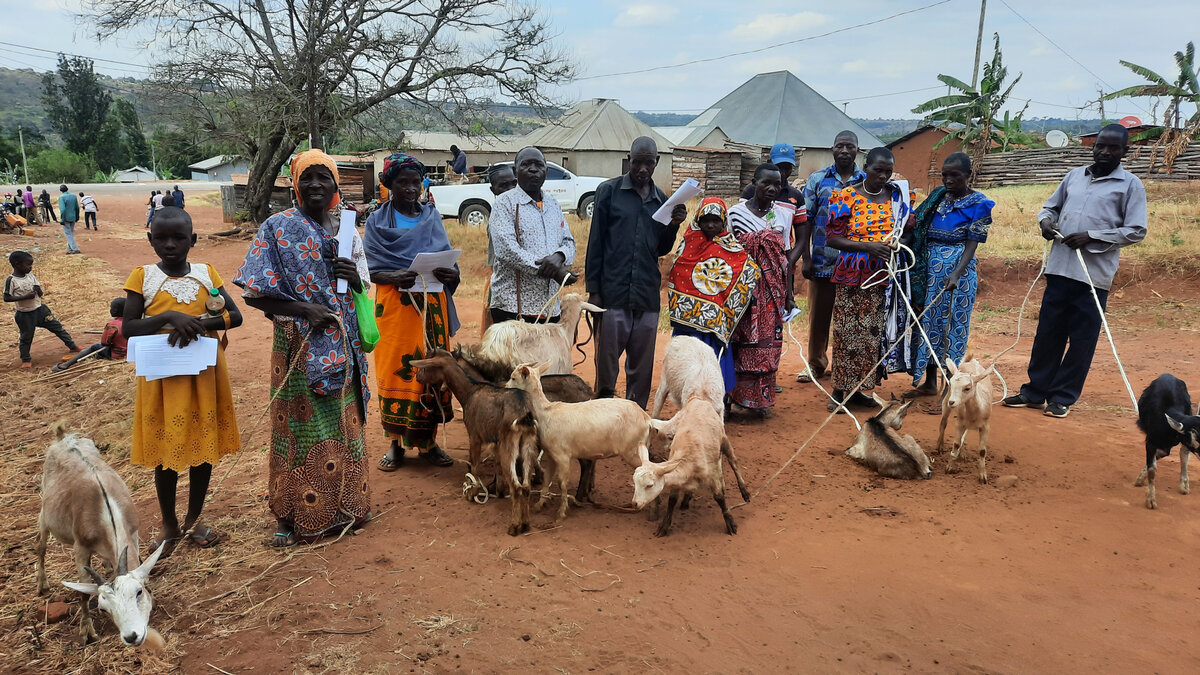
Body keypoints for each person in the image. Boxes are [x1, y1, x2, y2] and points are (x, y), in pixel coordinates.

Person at [235, 149, 373, 546]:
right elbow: (254, 294)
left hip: (342, 343)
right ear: (295, 184)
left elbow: (360, 287)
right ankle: (293, 516)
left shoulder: (345, 228)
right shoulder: (276, 227)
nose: (315, 184)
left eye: (323, 178)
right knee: (298, 430)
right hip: (298, 345)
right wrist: (303, 309)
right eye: (307, 177)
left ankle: (348, 508)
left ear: (334, 185)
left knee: (345, 427)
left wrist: (355, 278)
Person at [121, 206, 242, 557]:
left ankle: (194, 518)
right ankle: (169, 523)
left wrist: (201, 324)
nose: (170, 245)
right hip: (163, 378)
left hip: (204, 373)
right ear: (150, 240)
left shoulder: (206, 274)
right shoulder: (142, 277)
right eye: (161, 238)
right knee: (167, 452)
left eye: (178, 238)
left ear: (193, 239)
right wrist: (170, 316)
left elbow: (233, 316)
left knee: (202, 448)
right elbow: (128, 327)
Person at [1003, 124, 1147, 418]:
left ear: (1125, 151)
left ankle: (1063, 397)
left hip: (1093, 277)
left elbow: (1136, 230)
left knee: (1081, 340)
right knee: (1047, 334)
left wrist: (1093, 236)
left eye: (1113, 147)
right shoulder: (1074, 176)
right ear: (1092, 147)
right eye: (1100, 146)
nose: (1105, 152)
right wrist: (1045, 223)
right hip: (1059, 269)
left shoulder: (1130, 185)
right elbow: (1049, 208)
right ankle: (1034, 391)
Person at [365, 153, 461, 470]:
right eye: (402, 183)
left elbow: (449, 261)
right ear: (389, 185)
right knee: (396, 370)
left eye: (415, 183)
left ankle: (428, 444)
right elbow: (367, 270)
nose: (410, 189)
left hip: (431, 306)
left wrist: (453, 275)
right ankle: (394, 444)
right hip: (394, 307)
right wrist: (392, 277)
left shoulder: (431, 217)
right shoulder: (377, 223)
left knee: (432, 368)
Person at [586, 136, 687, 404]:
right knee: (606, 363)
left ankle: (636, 419)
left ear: (657, 162)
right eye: (637, 162)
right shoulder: (608, 191)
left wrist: (674, 224)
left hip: (645, 295)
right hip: (612, 293)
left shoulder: (662, 200)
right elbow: (596, 242)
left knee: (641, 367)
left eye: (648, 163)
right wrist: (594, 291)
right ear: (628, 160)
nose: (643, 169)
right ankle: (604, 414)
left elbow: (661, 249)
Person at [826, 147, 915, 412]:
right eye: (878, 170)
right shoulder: (846, 196)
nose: (884, 176)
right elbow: (832, 238)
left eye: (888, 171)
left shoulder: (897, 197)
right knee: (846, 333)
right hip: (853, 276)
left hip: (885, 278)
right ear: (866, 166)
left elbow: (910, 230)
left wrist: (895, 245)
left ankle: (859, 389)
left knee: (873, 336)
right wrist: (868, 247)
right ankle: (839, 391)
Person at [905, 153, 994, 408]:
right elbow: (917, 226)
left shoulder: (980, 203)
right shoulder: (937, 198)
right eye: (945, 174)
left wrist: (956, 272)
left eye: (955, 175)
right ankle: (930, 382)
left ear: (968, 175)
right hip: (929, 270)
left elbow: (972, 242)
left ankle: (949, 388)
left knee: (951, 327)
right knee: (927, 323)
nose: (948, 179)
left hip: (958, 272)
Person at [666, 197, 760, 396]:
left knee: (715, 359)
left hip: (717, 323)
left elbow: (747, 271)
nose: (710, 224)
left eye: (715, 220)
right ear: (697, 220)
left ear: (724, 222)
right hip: (688, 323)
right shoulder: (687, 246)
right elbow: (677, 273)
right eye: (705, 219)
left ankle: (719, 400)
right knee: (687, 362)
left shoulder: (732, 248)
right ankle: (688, 399)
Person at [726, 163, 799, 417]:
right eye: (766, 183)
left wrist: (789, 295)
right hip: (742, 289)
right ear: (753, 183)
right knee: (740, 342)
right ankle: (734, 397)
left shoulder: (783, 215)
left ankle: (761, 401)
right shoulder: (735, 214)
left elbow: (786, 257)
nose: (772, 188)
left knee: (768, 344)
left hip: (772, 291)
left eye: (777, 184)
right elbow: (726, 251)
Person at [798, 130, 866, 383]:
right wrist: (805, 258)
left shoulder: (866, 181)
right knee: (819, 317)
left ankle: (844, 367)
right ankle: (816, 365)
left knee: (850, 317)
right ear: (833, 149)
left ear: (857, 150)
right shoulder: (818, 180)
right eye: (840, 146)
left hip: (857, 264)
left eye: (850, 146)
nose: (845, 151)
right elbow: (805, 220)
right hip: (822, 261)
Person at [487, 146, 575, 323]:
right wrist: (553, 271)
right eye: (526, 164)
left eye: (538, 165)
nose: (533, 169)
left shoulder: (553, 205)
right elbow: (507, 250)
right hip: (513, 308)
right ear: (515, 171)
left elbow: (569, 241)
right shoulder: (505, 204)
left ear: (546, 171)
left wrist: (560, 256)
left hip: (550, 306)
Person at [5, 250, 81, 368]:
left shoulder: (31, 276)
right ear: (16, 264)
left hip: (40, 310)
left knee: (57, 327)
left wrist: (38, 290)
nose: (30, 267)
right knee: (26, 337)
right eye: (28, 265)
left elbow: (40, 294)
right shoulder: (12, 280)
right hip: (25, 314)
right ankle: (26, 359)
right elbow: (6, 298)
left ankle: (72, 346)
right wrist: (25, 296)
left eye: (31, 265)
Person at [481, 165, 518, 332]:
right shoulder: (498, 216)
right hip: (502, 283)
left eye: (513, 184)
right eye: (503, 186)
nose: (510, 189)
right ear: (493, 189)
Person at [51, 297, 128, 372]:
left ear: (115, 310)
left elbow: (104, 343)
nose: (110, 310)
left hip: (118, 355)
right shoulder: (133, 322)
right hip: (132, 354)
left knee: (93, 348)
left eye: (111, 308)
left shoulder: (112, 325)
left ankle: (65, 365)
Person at [57, 185, 81, 254]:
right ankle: (69, 249)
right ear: (67, 189)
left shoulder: (61, 197)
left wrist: (62, 219)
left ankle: (75, 248)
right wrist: (77, 216)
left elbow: (63, 210)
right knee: (70, 233)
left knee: (68, 234)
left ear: (61, 190)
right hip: (73, 217)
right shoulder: (74, 196)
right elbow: (77, 208)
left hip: (66, 218)